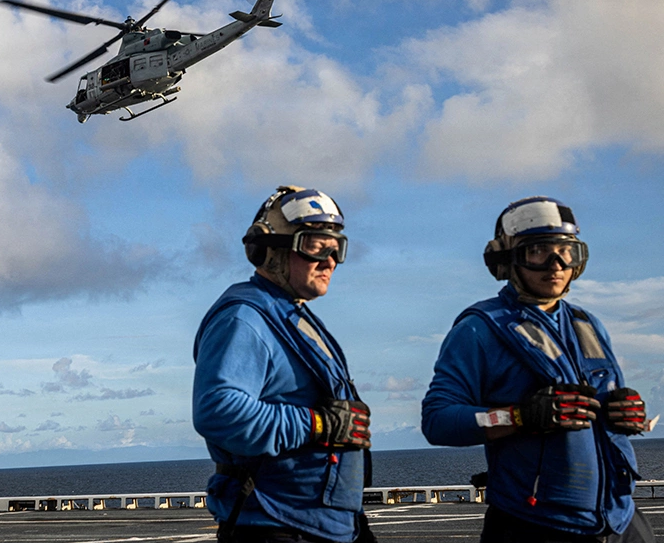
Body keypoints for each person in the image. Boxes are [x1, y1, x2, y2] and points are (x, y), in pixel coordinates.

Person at [422, 197, 655, 543]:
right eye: (538, 251)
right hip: (534, 525)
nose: (556, 265)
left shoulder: (588, 325)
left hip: (620, 519)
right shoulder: (478, 330)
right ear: (507, 259)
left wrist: (623, 412)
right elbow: (437, 420)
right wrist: (520, 417)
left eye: (566, 252)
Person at [193, 186, 374, 543]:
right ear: (268, 250)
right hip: (275, 523)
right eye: (315, 246)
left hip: (323, 524)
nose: (330, 261)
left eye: (337, 248)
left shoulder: (290, 315)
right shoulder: (245, 319)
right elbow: (217, 412)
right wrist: (318, 424)